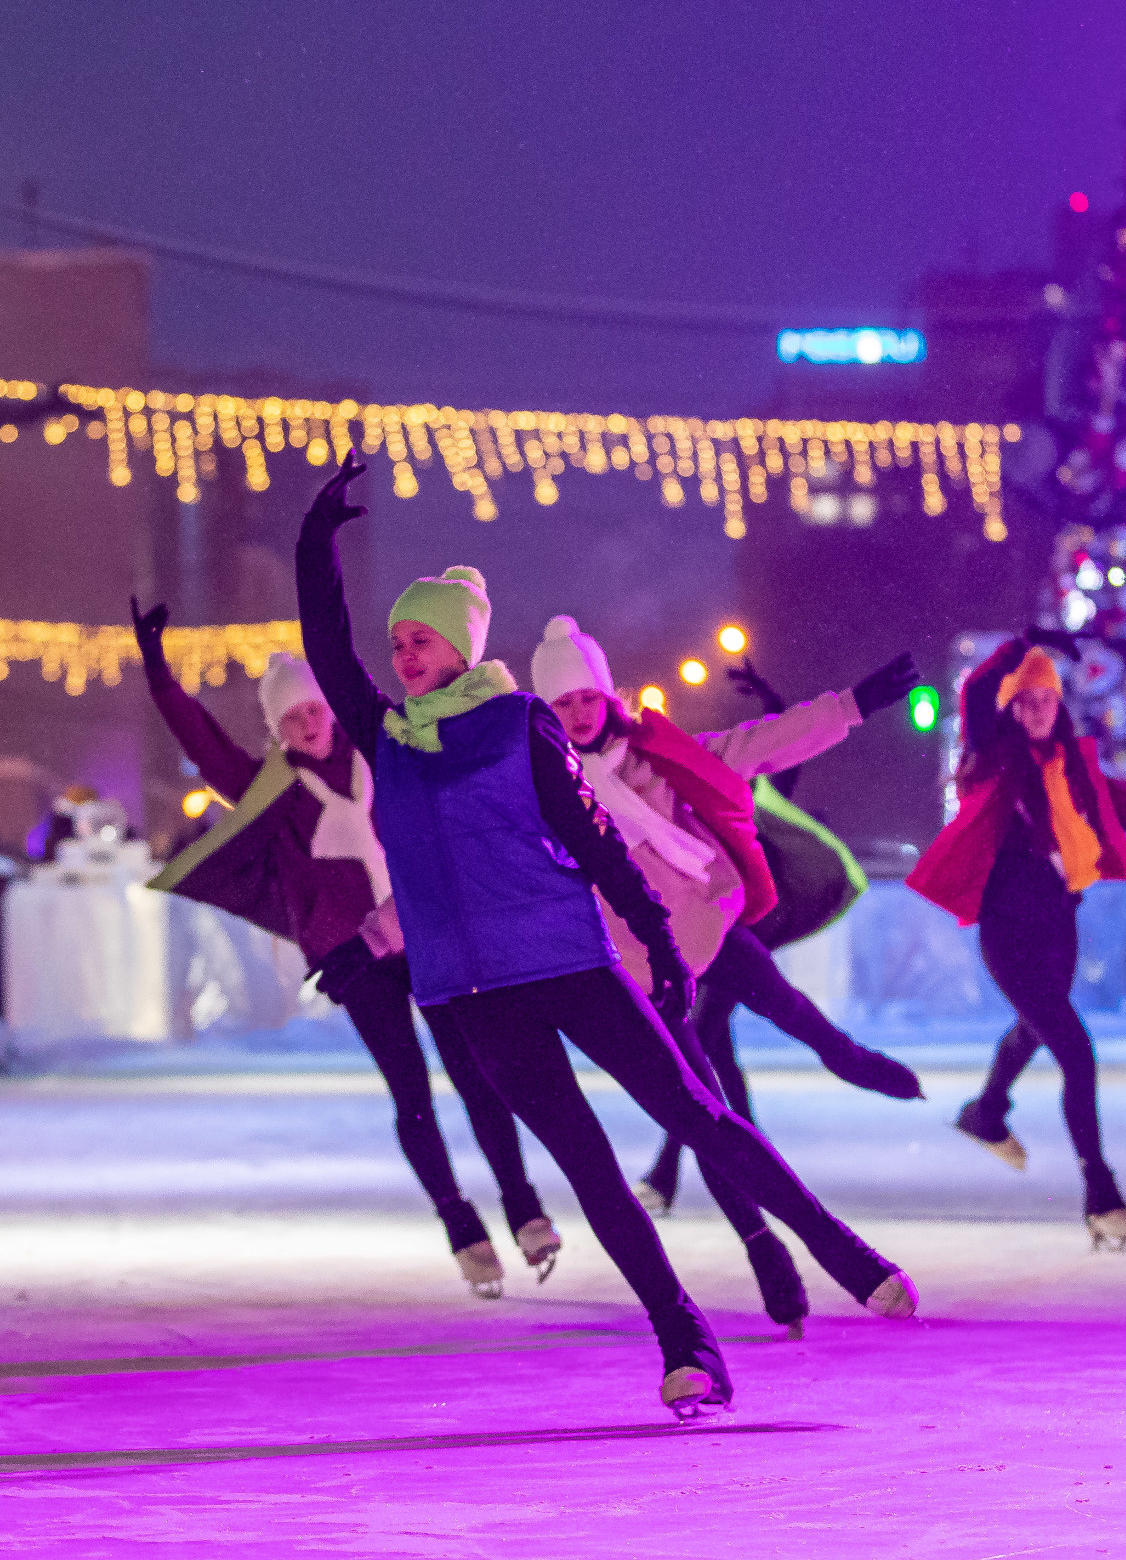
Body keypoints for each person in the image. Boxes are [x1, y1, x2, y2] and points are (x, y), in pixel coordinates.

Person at [297, 453, 913, 1420]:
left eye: (422, 640)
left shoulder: (518, 726)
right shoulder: (390, 737)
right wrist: (315, 540)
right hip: (472, 991)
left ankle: (836, 1245)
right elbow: (330, 650)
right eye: (398, 642)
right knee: (589, 1170)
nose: (405, 655)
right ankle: (686, 1346)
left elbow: (591, 840)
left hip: (571, 962)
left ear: (462, 646)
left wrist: (663, 950)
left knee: (698, 1115)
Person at [133, 603, 563, 1296]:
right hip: (351, 956)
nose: (311, 721)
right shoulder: (268, 788)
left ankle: (523, 1205)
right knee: (411, 1090)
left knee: (477, 1070)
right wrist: (160, 676)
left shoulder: (377, 752)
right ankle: (460, 1224)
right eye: (295, 716)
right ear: (278, 727)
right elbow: (205, 741)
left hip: (420, 931)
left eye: (316, 710)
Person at [529, 613, 925, 1335]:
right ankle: (764, 1247)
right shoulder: (548, 791)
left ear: (606, 695)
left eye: (586, 697)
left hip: (709, 924)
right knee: (710, 1114)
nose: (578, 713)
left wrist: (851, 706)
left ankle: (851, 1058)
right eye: (561, 704)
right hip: (647, 972)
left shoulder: (659, 755)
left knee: (793, 1011)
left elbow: (755, 746)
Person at [906, 631, 1126, 1248]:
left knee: (1034, 1029)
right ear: (1010, 710)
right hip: (1007, 929)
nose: (1036, 709)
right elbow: (978, 690)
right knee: (1076, 1051)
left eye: (1046, 698)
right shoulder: (993, 763)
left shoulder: (1077, 772)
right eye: (1025, 700)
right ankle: (1102, 1194)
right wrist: (1025, 645)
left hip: (1058, 924)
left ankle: (986, 1112)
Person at [627, 650, 923, 1226]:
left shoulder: (739, 790)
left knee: (710, 1053)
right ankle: (724, 1159)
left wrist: (775, 698)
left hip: (738, 930)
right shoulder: (665, 802)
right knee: (712, 1053)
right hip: (699, 938)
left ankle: (693, 1168)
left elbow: (772, 745)